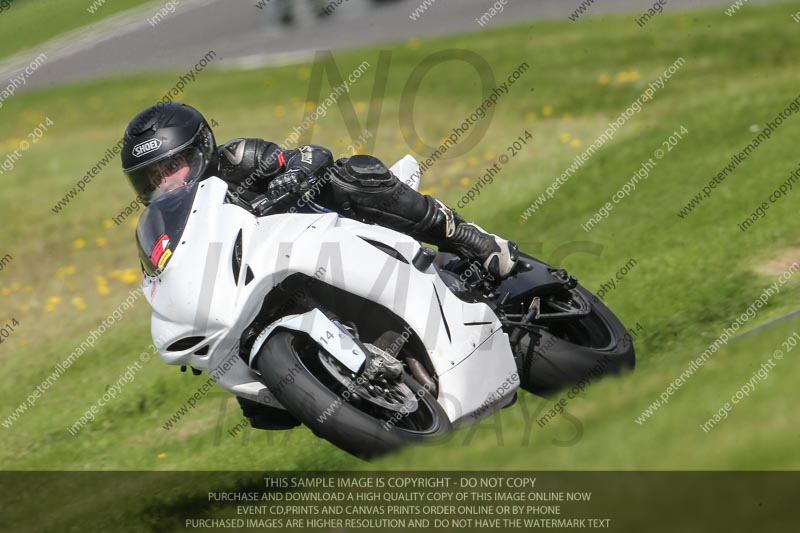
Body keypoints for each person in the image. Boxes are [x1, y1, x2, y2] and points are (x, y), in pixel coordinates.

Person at [120, 102, 518, 427]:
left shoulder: (238, 159)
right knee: (259, 410)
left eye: (172, 168)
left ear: (200, 151)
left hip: (337, 231)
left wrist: (290, 178)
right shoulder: (175, 224)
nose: (165, 184)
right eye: (152, 178)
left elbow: (311, 155)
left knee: (354, 175)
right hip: (275, 281)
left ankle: (469, 237)